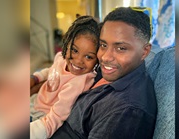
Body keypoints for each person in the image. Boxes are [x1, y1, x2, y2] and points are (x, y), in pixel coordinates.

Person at [50, 7, 157, 139]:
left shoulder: (126, 111)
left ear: (145, 52)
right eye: (103, 45)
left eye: (121, 48)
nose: (105, 57)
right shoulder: (112, 71)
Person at [30, 16, 100, 139]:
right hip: (34, 101)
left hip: (42, 116)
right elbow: (50, 71)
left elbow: (55, 118)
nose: (78, 61)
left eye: (88, 57)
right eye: (74, 50)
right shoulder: (60, 58)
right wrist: (36, 77)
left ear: (97, 60)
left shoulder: (79, 82)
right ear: (67, 44)